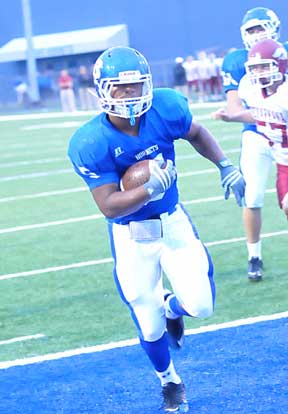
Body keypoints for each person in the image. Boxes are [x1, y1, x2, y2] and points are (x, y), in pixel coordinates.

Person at [68, 46, 245, 413]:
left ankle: (173, 307)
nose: (131, 94)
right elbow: (107, 204)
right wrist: (149, 188)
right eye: (121, 88)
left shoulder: (165, 107)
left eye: (136, 86)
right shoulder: (90, 141)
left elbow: (195, 132)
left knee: (202, 305)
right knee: (148, 326)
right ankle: (169, 380)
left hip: (172, 221)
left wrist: (225, 164)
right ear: (103, 90)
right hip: (130, 234)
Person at [214, 7, 287, 282]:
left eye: (260, 28)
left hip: (286, 134)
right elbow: (234, 107)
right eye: (250, 30)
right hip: (256, 133)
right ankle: (253, 256)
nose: (256, 35)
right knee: (252, 196)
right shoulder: (237, 63)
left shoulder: (284, 53)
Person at [214, 39, 288, 219]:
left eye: (264, 67)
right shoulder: (249, 88)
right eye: (255, 68)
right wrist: (231, 117)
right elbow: (260, 114)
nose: (258, 73)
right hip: (284, 161)